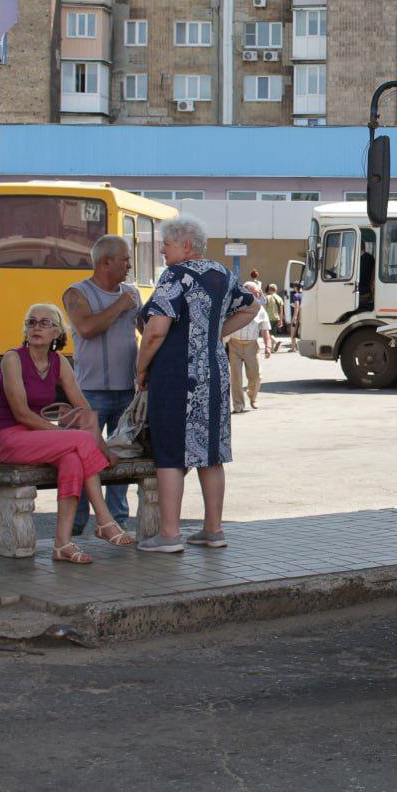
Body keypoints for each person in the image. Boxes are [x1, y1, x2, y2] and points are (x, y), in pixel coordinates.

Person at [135, 216, 256, 552]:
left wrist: (141, 368)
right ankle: (213, 529)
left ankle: (170, 535)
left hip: (177, 374)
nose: (162, 250)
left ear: (185, 246)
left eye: (167, 244)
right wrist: (214, 334)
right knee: (211, 452)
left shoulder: (176, 275)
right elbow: (251, 307)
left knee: (171, 452)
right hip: (215, 371)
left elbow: (156, 329)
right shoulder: (221, 274)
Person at [0, 304, 135, 564]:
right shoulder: (12, 358)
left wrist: (102, 448)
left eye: (45, 323)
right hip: (11, 438)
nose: (36, 327)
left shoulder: (59, 362)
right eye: (31, 322)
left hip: (42, 440)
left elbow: (84, 408)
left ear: (57, 332)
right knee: (78, 441)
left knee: (72, 459)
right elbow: (22, 414)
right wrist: (63, 434)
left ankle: (62, 544)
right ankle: (104, 519)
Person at [63, 234, 141, 534]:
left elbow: (147, 331)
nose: (129, 265)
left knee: (121, 457)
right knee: (85, 459)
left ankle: (118, 521)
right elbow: (86, 327)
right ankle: (79, 523)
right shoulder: (77, 293)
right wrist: (120, 305)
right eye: (124, 260)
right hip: (89, 393)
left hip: (127, 390)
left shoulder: (133, 293)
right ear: (104, 262)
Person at [227, 282, 273, 412]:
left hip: (252, 346)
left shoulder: (260, 310)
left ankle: (253, 397)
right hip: (234, 344)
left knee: (256, 375)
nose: (256, 295)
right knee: (236, 377)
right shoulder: (234, 307)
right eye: (254, 292)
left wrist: (268, 346)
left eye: (258, 293)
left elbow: (265, 331)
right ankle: (238, 405)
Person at [288, 281, 302, 352]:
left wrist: (295, 317)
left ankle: (293, 348)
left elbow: (297, 307)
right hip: (304, 315)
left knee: (293, 332)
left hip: (298, 315)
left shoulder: (296, 295)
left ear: (295, 287)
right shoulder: (304, 294)